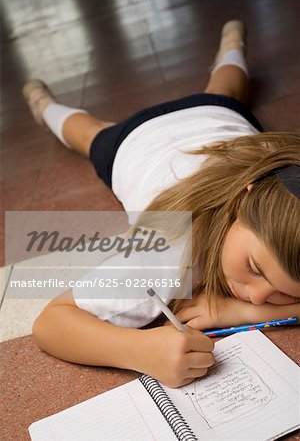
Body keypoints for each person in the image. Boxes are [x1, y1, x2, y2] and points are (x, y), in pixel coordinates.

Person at [23, 20, 300, 388]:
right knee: (87, 132)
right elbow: (50, 323)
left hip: (215, 114)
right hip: (133, 141)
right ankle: (44, 106)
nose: (261, 296)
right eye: (255, 268)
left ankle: (232, 44)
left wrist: (240, 310)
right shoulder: (170, 249)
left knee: (226, 87)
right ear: (241, 201)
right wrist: (139, 350)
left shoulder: (276, 173)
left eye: (285, 294)